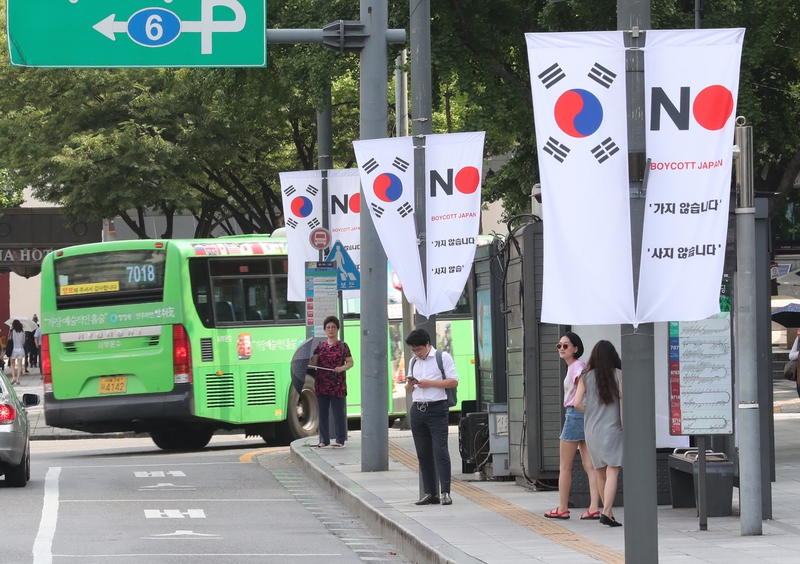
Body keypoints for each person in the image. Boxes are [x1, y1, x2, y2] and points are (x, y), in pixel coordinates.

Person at [544, 332, 600, 521]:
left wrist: (580, 408)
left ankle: (562, 507)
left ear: (575, 348)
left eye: (566, 346)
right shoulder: (578, 366)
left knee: (565, 466)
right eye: (559, 345)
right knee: (589, 465)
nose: (561, 349)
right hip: (583, 415)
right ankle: (594, 507)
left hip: (575, 414)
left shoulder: (576, 367)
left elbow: (580, 394)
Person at [404, 328, 459, 506]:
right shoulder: (413, 362)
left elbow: (453, 381)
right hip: (417, 409)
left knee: (440, 451)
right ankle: (430, 493)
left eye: (419, 349)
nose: (417, 354)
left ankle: (445, 492)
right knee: (423, 453)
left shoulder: (442, 358)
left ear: (428, 344)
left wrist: (430, 383)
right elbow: (408, 389)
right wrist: (410, 384)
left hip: (437, 409)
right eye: (414, 350)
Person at [575, 340, 623, 527]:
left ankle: (608, 513)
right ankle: (606, 512)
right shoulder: (618, 374)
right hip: (612, 429)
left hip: (592, 429)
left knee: (600, 473)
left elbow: (577, 403)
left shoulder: (585, 377)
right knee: (613, 471)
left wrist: (591, 413)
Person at [309, 316, 353, 448]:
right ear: (324, 330)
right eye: (328, 327)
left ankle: (340, 440)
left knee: (338, 413)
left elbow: (350, 363)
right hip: (321, 384)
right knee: (322, 414)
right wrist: (308, 360)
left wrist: (341, 368)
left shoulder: (343, 346)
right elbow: (314, 362)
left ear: (337, 329)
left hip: (337, 384)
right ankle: (324, 440)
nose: (331, 329)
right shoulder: (320, 346)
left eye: (333, 327)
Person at [7, 319, 27, 385]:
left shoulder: (11, 331)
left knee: (12, 364)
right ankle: (18, 379)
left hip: (13, 349)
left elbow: (9, 339)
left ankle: (13, 377)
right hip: (21, 349)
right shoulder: (23, 332)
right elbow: (24, 341)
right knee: (20, 365)